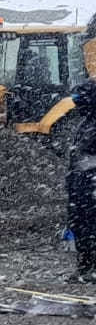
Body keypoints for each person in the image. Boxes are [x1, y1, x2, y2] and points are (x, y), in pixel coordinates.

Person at [65, 79, 96, 283]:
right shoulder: (86, 122)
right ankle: (85, 265)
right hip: (80, 185)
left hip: (91, 183)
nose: (76, 102)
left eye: (80, 98)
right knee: (80, 225)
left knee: (92, 226)